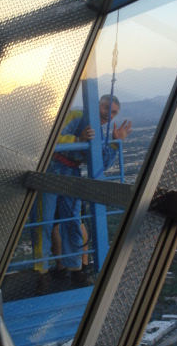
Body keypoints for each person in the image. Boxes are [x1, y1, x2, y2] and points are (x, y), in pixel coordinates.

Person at [32, 95, 132, 288]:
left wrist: (114, 141)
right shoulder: (77, 116)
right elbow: (53, 137)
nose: (108, 114)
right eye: (105, 108)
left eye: (113, 113)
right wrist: (78, 139)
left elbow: (102, 163)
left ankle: (75, 269)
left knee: (73, 223)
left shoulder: (100, 133)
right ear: (96, 105)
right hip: (52, 170)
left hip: (72, 173)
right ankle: (41, 272)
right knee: (44, 222)